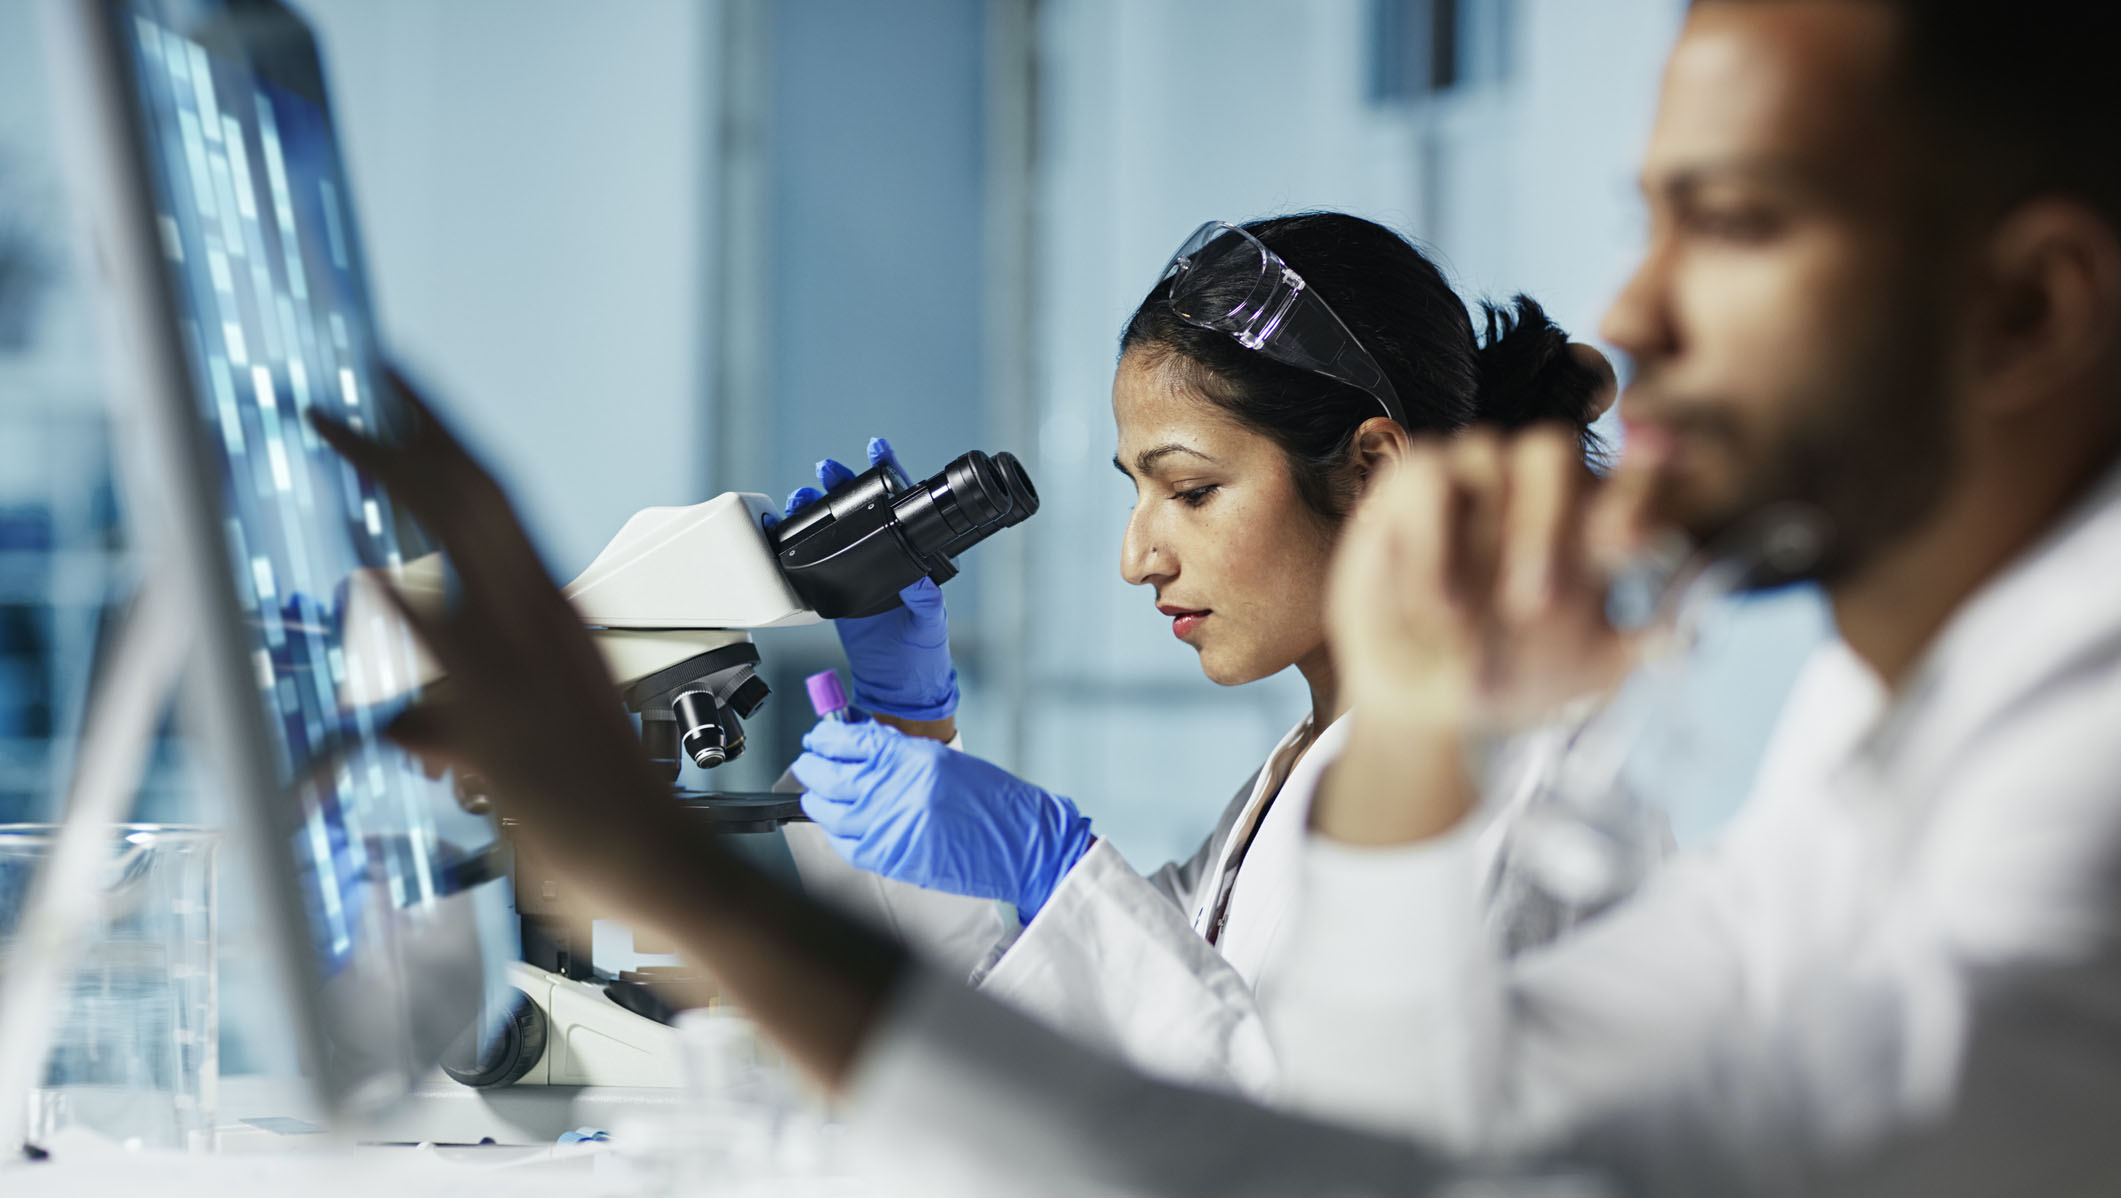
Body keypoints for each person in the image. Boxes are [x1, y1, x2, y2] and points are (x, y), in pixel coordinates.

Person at [313, 0, 2121, 1193]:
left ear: (2030, 310)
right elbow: (1328, 1122)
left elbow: (1305, 1159)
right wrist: (908, 776)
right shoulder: (1883, 737)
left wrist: (665, 853)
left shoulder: (2071, 810)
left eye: (1727, 224)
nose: (1634, 318)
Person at [771, 211, 1632, 1091]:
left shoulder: (1499, 791)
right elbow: (1043, 1071)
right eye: (1139, 491)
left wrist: (1059, 872)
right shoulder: (1298, 781)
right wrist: (908, 725)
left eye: (1190, 490)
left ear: (1373, 471)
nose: (1137, 558)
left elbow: (1317, 1155)